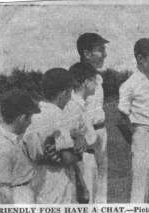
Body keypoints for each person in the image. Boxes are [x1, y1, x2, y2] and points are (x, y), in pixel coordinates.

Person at [118, 38, 149, 203]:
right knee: (140, 188)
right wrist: (136, 138)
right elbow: (121, 119)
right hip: (142, 135)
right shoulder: (129, 85)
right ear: (140, 58)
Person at [23, 68, 82, 204]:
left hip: (36, 178)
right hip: (58, 181)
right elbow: (67, 157)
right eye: (70, 92)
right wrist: (79, 153)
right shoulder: (58, 116)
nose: (70, 97)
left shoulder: (34, 115)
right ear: (64, 93)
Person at [76, 33, 109, 203]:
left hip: (101, 133)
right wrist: (90, 137)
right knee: (88, 180)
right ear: (87, 53)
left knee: (102, 186)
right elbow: (78, 113)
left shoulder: (98, 77)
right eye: (100, 50)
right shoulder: (76, 78)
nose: (104, 54)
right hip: (88, 137)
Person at [64, 62, 99, 203]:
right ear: (86, 82)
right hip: (82, 162)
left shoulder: (82, 105)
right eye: (94, 80)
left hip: (89, 159)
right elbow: (72, 145)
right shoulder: (73, 107)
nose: (96, 84)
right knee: (86, 208)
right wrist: (80, 180)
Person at [0, 89, 40, 203]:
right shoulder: (4, 147)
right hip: (17, 199)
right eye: (29, 118)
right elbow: (3, 191)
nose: (31, 122)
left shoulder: (17, 138)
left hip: (26, 192)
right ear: (22, 118)